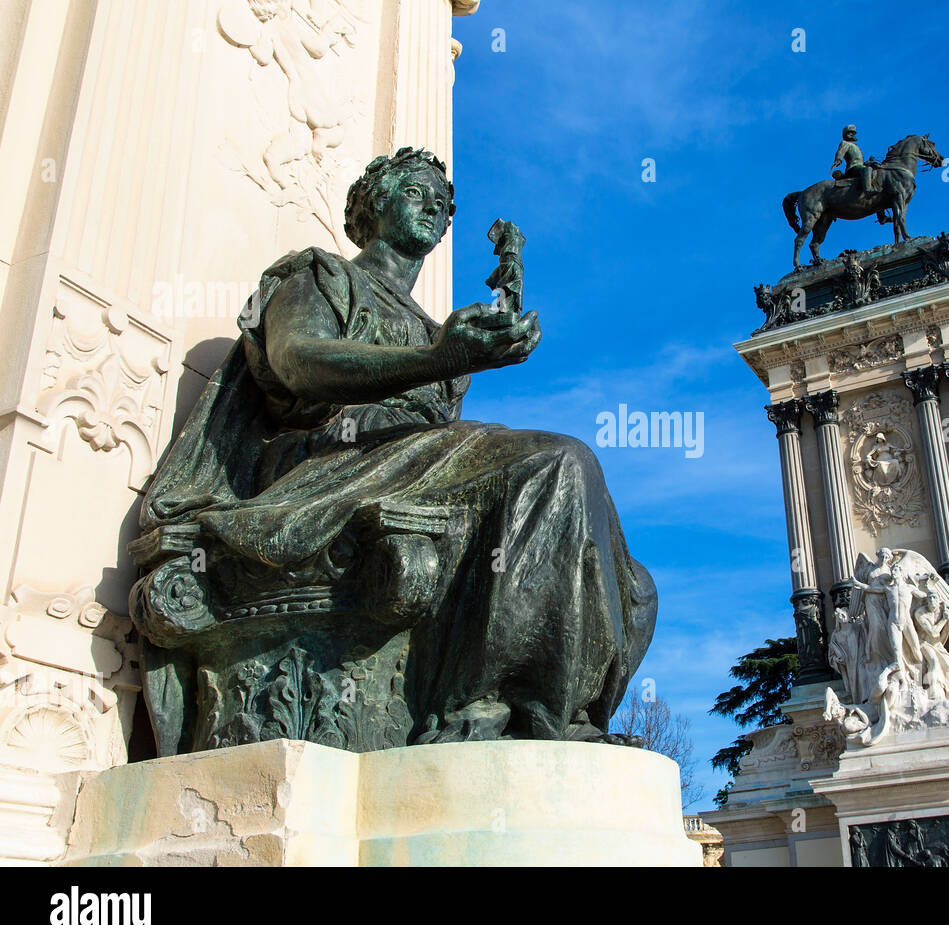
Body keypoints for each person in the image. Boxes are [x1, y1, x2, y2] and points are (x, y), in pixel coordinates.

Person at [131, 147, 657, 753]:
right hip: (331, 460)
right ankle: (498, 710)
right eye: (416, 192)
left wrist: (462, 353)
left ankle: (561, 711)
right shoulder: (319, 275)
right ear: (372, 204)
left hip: (410, 460)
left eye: (444, 203)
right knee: (560, 461)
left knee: (630, 581)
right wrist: (439, 359)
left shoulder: (435, 327)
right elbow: (299, 362)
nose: (434, 205)